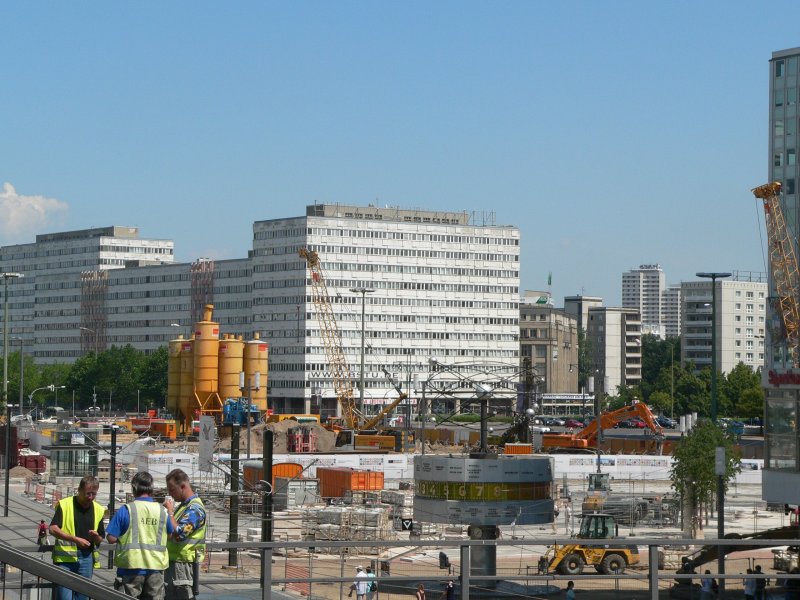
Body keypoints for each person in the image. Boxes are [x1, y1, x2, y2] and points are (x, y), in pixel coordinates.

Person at [106, 471, 174, 600]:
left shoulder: (126, 510)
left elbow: (111, 538)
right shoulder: (162, 511)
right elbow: (170, 536)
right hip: (156, 568)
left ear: (134, 488)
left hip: (130, 568)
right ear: (151, 488)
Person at [50, 475, 105, 600]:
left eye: (93, 494)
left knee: (83, 596)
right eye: (87, 494)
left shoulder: (98, 509)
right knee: (65, 597)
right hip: (65, 560)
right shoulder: (65, 505)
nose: (90, 497)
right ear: (79, 490)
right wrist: (75, 539)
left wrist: (96, 537)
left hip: (86, 558)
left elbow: (101, 537)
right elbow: (53, 529)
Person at [163, 469, 206, 600]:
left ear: (183, 486)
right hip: (175, 562)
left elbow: (179, 533)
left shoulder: (195, 509)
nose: (170, 494)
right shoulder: (184, 507)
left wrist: (170, 512)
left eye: (172, 489)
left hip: (183, 565)